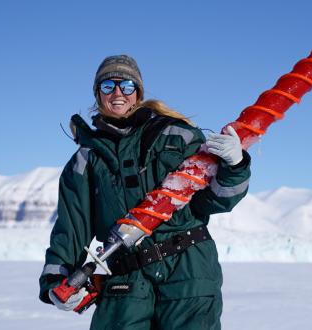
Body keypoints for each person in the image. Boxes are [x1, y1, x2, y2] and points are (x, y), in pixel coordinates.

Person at [39, 55, 251, 329]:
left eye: (126, 85)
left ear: (137, 91)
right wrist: (57, 280)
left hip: (188, 272)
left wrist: (235, 165)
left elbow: (215, 202)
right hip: (125, 281)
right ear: (97, 93)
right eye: (108, 86)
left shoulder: (178, 136)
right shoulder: (86, 161)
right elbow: (71, 227)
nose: (118, 93)